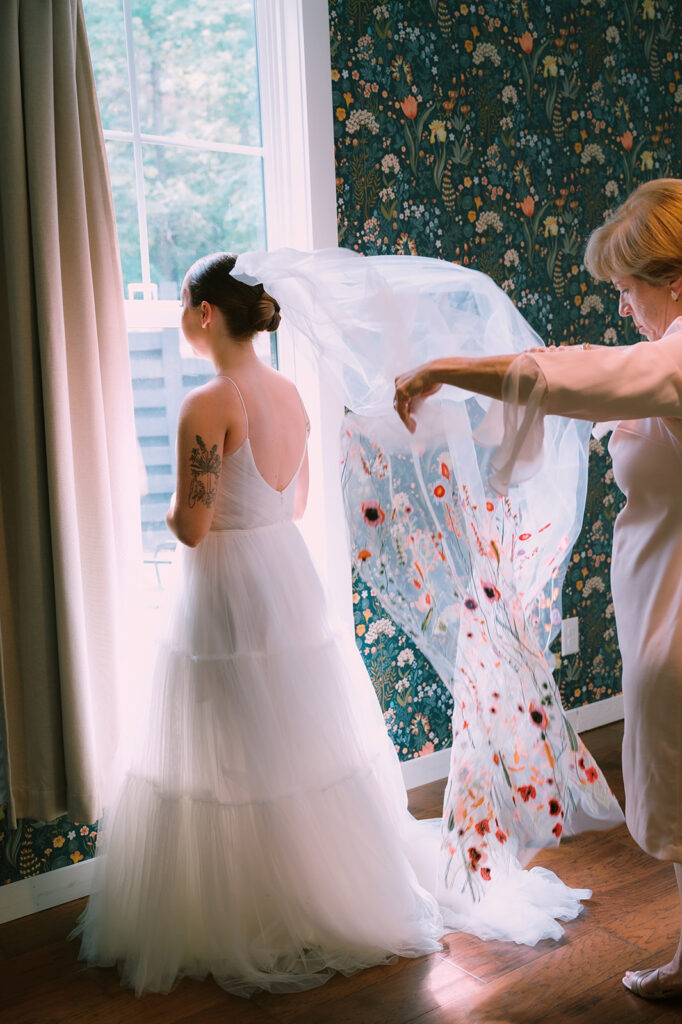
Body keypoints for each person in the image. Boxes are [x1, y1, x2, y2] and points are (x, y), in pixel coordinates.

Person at [70, 251, 597, 998]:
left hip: (225, 585)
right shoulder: (285, 392)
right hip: (284, 575)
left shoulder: (208, 403)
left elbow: (190, 529)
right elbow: (295, 501)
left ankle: (253, 903)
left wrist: (152, 510)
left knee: (226, 743)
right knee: (293, 740)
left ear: (204, 315)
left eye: (185, 306)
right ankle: (309, 889)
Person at [393, 177, 682, 1002]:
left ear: (676, 281)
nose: (624, 309)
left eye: (628, 290)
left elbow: (571, 376)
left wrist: (446, 368)